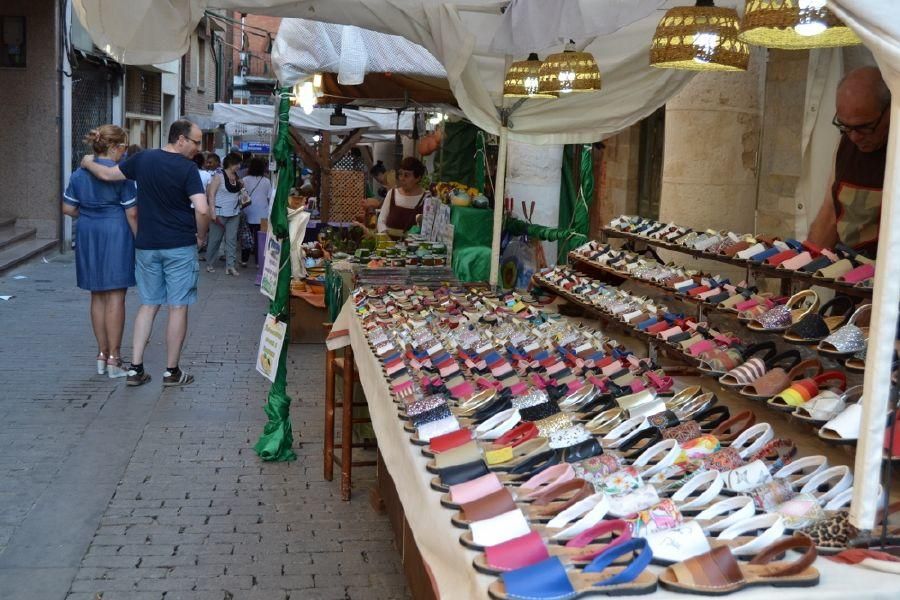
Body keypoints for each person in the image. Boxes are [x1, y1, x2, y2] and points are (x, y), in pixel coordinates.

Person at [81, 119, 209, 387]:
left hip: (147, 245)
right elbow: (203, 208)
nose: (199, 147)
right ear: (181, 139)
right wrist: (201, 235)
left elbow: (108, 174)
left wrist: (87, 163)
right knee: (177, 307)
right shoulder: (188, 169)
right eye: (196, 141)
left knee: (148, 305)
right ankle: (172, 371)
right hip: (179, 245)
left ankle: (136, 368)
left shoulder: (143, 159)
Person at [63, 125, 138, 379]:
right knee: (116, 295)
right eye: (123, 148)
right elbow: (132, 212)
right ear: (115, 147)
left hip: (88, 231)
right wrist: (140, 241)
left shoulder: (78, 174)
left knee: (97, 294)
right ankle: (115, 358)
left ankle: (101, 354)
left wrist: (89, 213)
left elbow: (67, 208)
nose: (124, 153)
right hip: (115, 231)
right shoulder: (121, 175)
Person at [807, 66, 890, 258]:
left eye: (864, 127)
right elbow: (829, 216)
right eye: (845, 126)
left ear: (890, 110)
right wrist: (801, 274)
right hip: (848, 278)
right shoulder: (846, 144)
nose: (854, 137)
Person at [205, 152, 244, 276]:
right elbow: (211, 194)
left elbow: (238, 192)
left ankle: (230, 266)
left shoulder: (237, 177)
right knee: (215, 240)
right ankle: (209, 263)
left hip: (234, 213)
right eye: (237, 163)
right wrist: (212, 211)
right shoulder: (219, 176)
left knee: (231, 240)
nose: (239, 166)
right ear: (231, 163)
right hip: (219, 212)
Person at [376, 157, 430, 239]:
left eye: (407, 175)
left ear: (418, 178)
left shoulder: (426, 198)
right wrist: (385, 237)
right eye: (401, 174)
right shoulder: (392, 194)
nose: (402, 179)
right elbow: (381, 220)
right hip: (390, 247)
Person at [241, 157, 272, 266]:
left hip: (248, 212)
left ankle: (244, 260)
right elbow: (269, 198)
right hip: (263, 213)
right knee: (261, 238)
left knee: (246, 236)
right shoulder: (267, 181)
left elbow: (242, 196)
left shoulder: (245, 180)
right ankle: (259, 261)